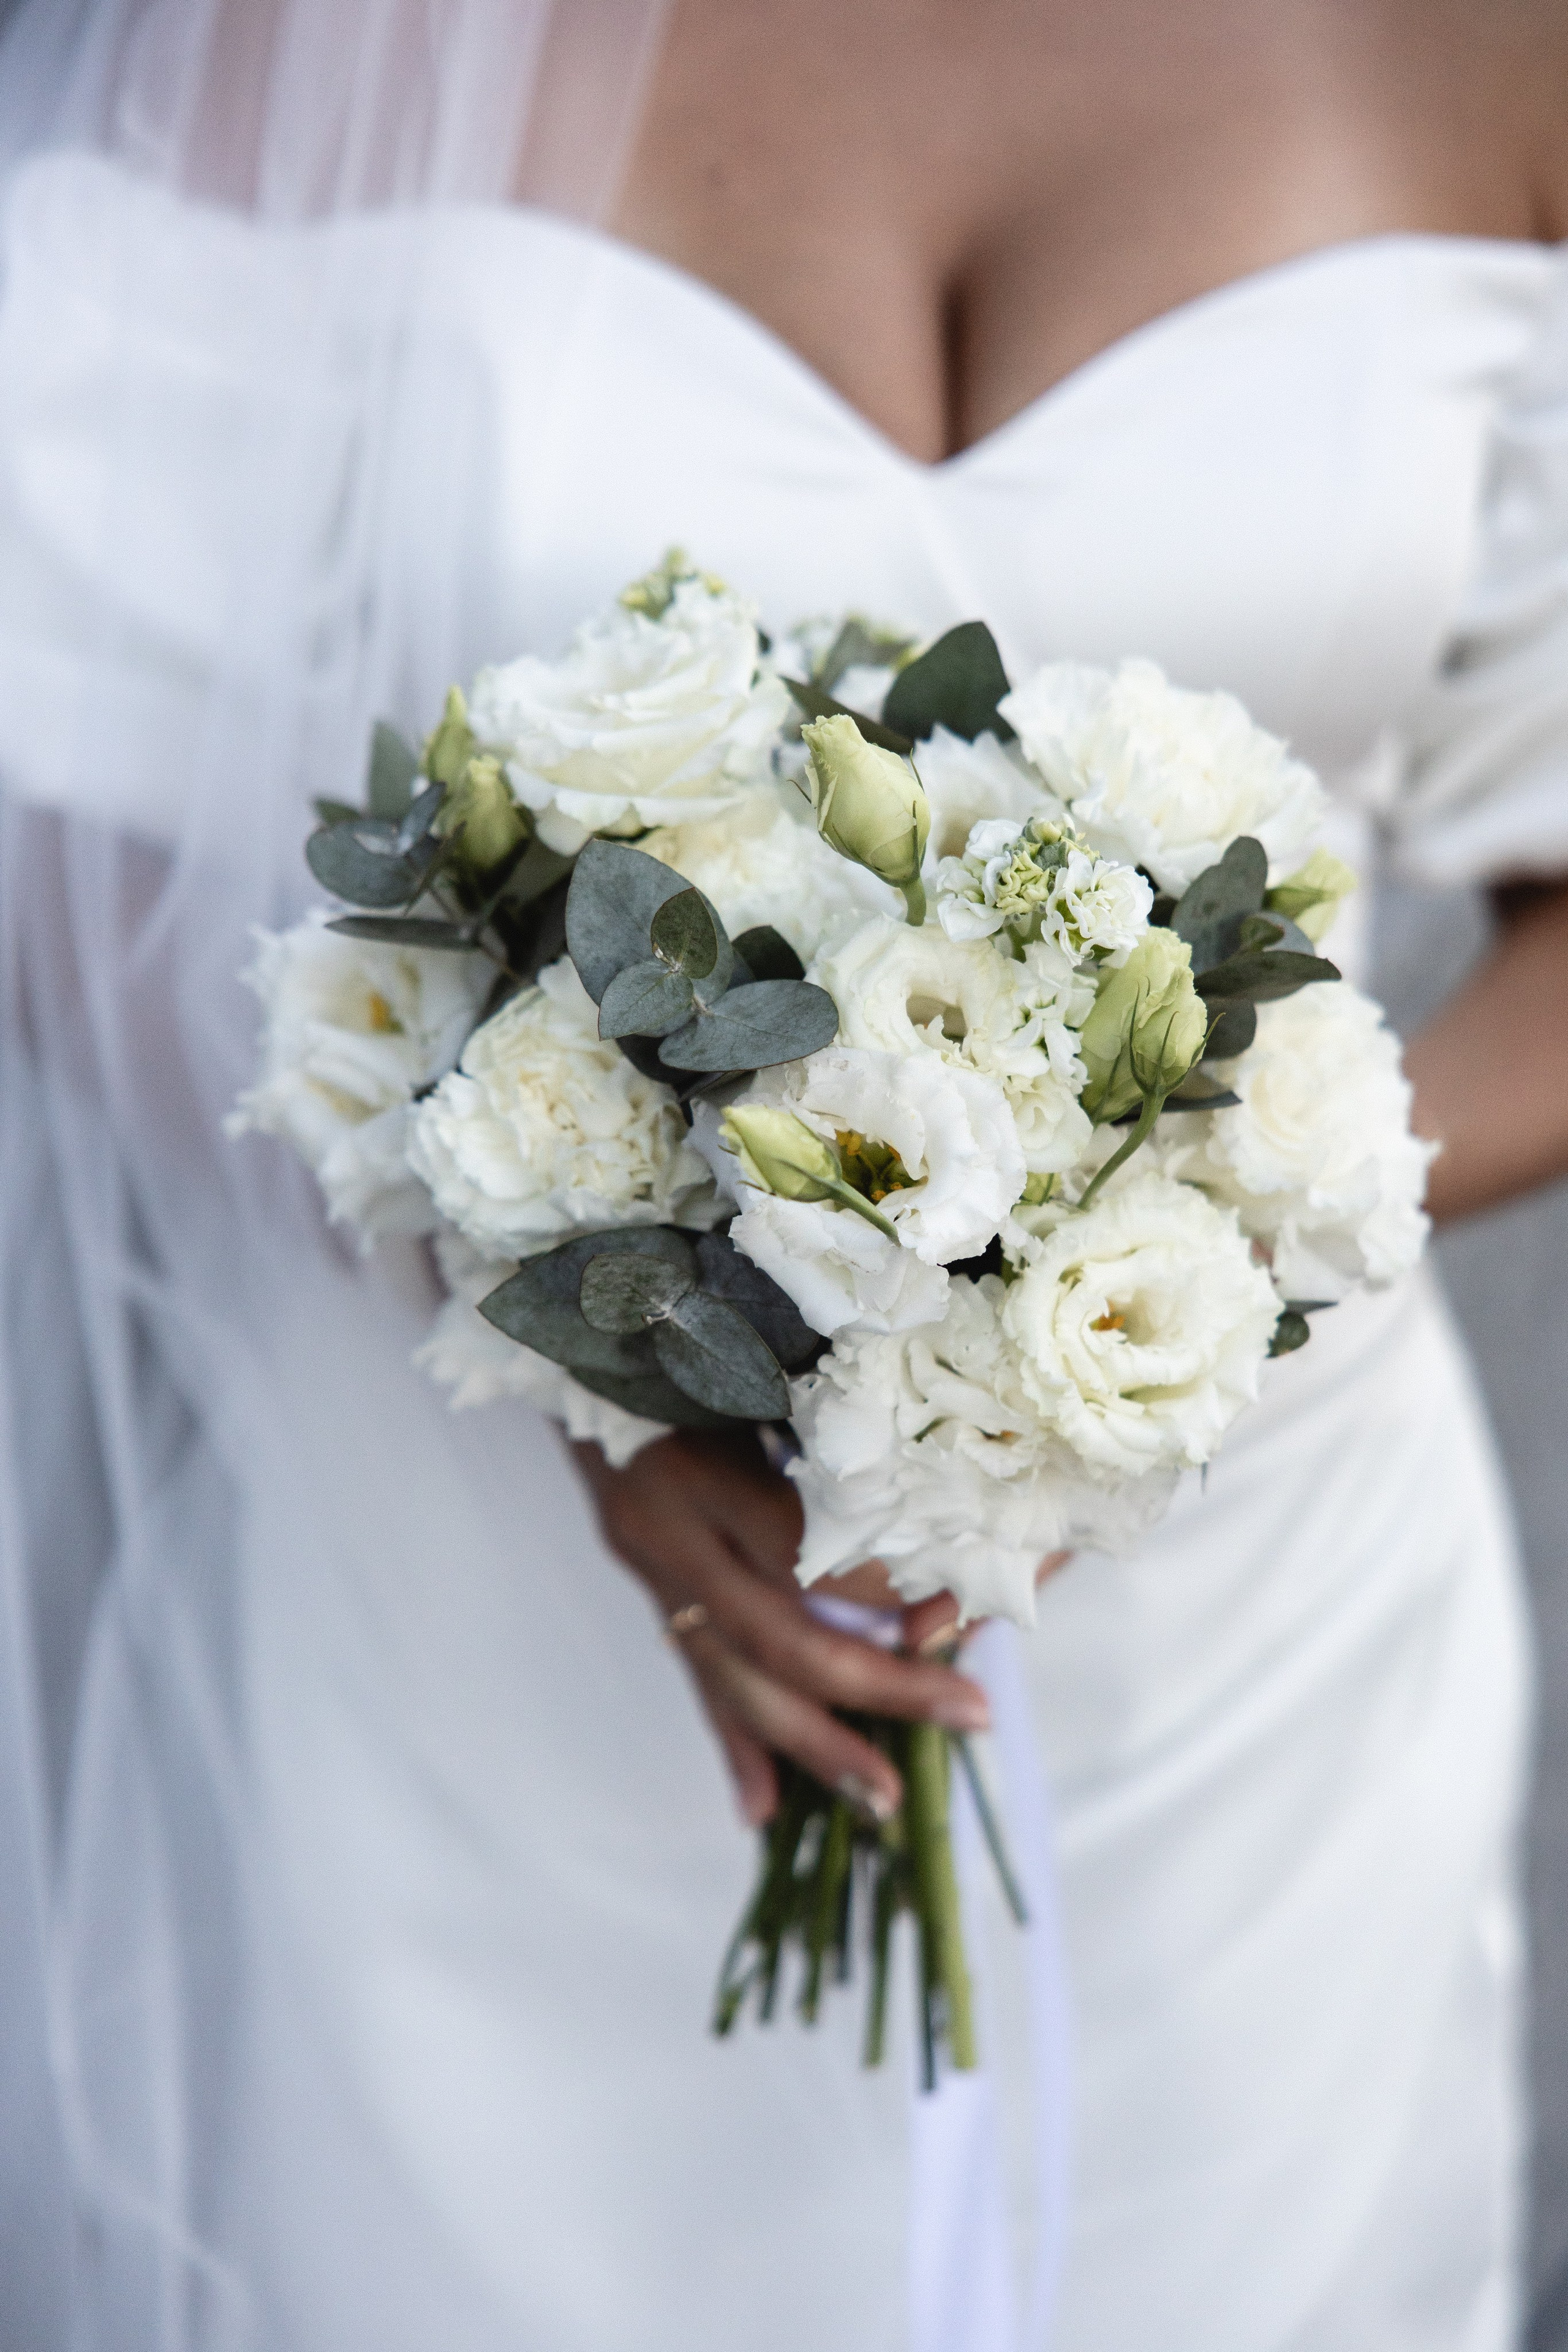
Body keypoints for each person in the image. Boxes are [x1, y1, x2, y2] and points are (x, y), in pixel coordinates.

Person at [2, 2, 1567, 2345]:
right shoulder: (315, 46)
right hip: (499, 1626)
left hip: (1255, 1660)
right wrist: (594, 1333)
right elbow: (69, 829)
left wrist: (1189, 1251)